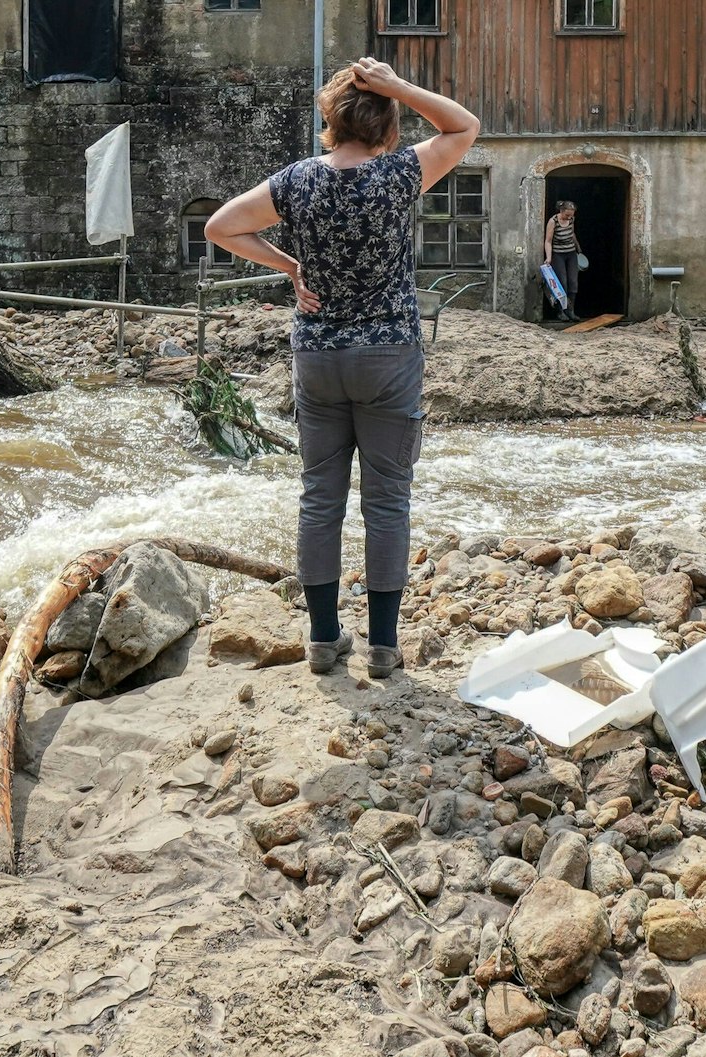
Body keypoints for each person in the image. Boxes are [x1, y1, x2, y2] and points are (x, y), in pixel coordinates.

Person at [205, 58, 479, 679]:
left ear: (330, 122)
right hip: (389, 354)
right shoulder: (400, 171)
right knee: (387, 500)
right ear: (387, 124)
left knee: (319, 496)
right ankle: (383, 646)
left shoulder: (297, 181)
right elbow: (464, 128)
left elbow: (221, 227)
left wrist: (290, 267)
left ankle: (324, 640)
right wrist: (401, 86)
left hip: (319, 355)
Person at [545, 201, 581, 322]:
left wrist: (578, 249)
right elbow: (548, 241)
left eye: (571, 215)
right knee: (562, 283)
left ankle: (570, 311)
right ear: (561, 211)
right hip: (558, 254)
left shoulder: (571, 220)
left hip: (571, 253)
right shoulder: (553, 221)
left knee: (573, 283)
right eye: (567, 215)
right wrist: (549, 257)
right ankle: (560, 311)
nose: (569, 217)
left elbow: (572, 234)